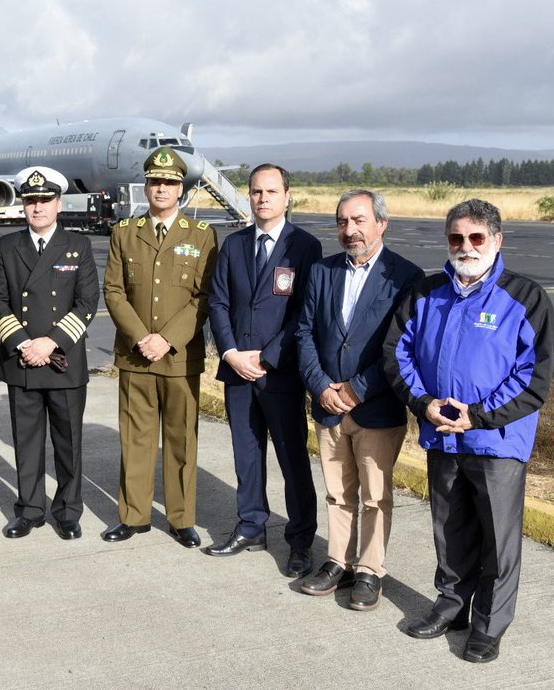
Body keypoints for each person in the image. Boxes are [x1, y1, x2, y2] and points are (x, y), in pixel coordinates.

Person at [385, 198, 554, 663]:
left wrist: (477, 415)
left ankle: (488, 626)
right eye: (457, 238)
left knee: (499, 539)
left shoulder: (526, 298)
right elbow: (396, 354)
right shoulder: (426, 292)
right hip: (441, 434)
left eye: (476, 237)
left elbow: (532, 378)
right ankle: (452, 606)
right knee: (450, 530)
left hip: (497, 442)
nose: (466, 247)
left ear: (497, 240)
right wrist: (425, 405)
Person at [294, 189, 424, 609]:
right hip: (329, 405)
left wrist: (357, 389)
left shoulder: (406, 276)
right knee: (337, 493)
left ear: (381, 223)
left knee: (375, 496)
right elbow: (305, 334)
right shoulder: (322, 271)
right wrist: (321, 386)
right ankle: (337, 561)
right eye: (343, 222)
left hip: (376, 407)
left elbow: (403, 347)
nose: (350, 230)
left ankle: (369, 571)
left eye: (360, 220)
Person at [206, 163, 323, 577]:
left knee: (293, 461)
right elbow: (217, 303)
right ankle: (251, 526)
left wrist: (269, 356)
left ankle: (300, 542)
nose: (262, 199)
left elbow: (304, 313)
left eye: (271, 192)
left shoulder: (305, 247)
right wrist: (232, 352)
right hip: (238, 370)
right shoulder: (234, 244)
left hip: (281, 374)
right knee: (246, 456)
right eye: (256, 192)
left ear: (287, 196)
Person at [102, 146, 218, 548]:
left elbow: (204, 296)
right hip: (135, 355)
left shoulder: (202, 236)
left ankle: (182, 517)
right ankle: (133, 516)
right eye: (155, 181)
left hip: (179, 356)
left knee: (181, 438)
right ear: (146, 186)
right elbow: (114, 291)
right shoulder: (124, 232)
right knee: (135, 438)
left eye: (170, 182)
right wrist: (141, 338)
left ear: (181, 189)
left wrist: (166, 339)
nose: (162, 188)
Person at [0, 166, 99, 539]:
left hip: (62, 360)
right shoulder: (8, 245)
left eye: (44, 201)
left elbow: (86, 303)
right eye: (31, 201)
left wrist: (50, 343)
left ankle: (67, 511)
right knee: (27, 443)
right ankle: (30, 510)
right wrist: (24, 344)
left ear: (59, 203)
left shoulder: (78, 245)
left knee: (69, 444)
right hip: (22, 360)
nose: (37, 208)